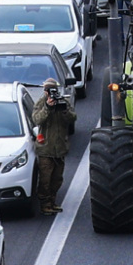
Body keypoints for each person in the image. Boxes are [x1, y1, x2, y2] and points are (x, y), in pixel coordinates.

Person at [32, 78, 77, 215]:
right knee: (45, 180)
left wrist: (63, 110)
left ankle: (52, 201)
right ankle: (45, 204)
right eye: (49, 90)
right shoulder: (41, 103)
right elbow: (36, 119)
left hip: (60, 148)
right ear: (45, 92)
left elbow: (73, 118)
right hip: (46, 148)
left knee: (57, 179)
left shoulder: (63, 101)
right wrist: (48, 107)